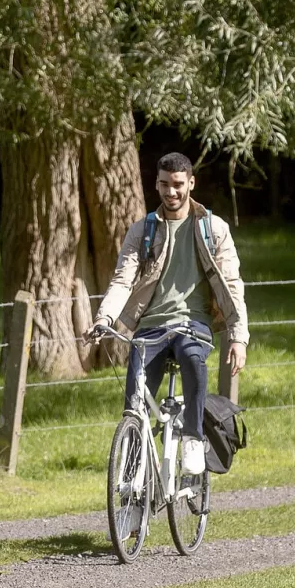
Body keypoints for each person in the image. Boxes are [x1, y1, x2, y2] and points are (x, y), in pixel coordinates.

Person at [89, 152, 248, 477]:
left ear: (191, 183)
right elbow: (123, 279)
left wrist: (238, 337)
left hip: (194, 326)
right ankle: (132, 494)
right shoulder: (142, 230)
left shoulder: (212, 229)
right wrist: (104, 318)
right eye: (164, 184)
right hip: (149, 329)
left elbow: (232, 285)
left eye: (177, 185)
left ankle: (192, 437)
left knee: (192, 357)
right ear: (157, 184)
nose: (171, 192)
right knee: (135, 407)